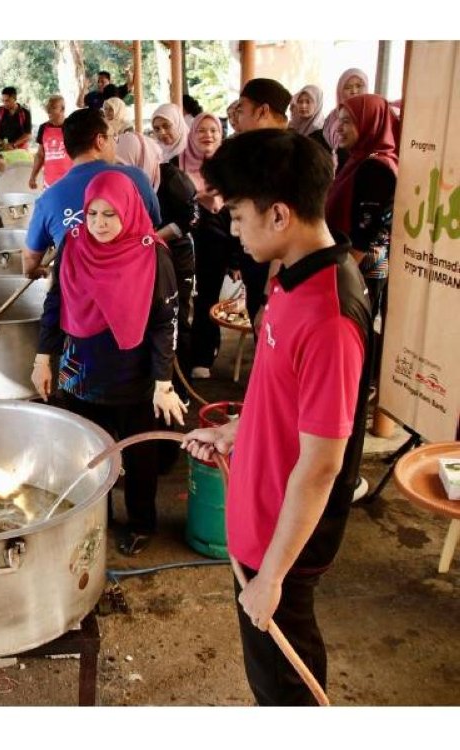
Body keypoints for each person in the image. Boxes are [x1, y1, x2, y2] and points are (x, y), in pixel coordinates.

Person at [182, 128, 370, 706]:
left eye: (238, 215)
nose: (234, 229)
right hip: (258, 512)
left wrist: (272, 579)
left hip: (281, 541)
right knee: (264, 671)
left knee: (282, 683)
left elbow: (320, 467)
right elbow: (281, 395)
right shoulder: (292, 276)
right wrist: (238, 429)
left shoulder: (329, 316)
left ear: (281, 214)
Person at [32, 171, 186, 556]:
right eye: (93, 213)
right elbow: (55, 303)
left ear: (129, 212)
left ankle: (141, 523)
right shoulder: (72, 244)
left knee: (138, 453)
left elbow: (165, 323)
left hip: (131, 368)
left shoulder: (152, 254)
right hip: (77, 364)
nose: (99, 224)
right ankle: (95, 518)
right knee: (85, 453)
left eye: (109, 215)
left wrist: (163, 383)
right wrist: (42, 358)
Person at [22, 107, 161, 279]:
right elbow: (153, 226)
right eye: (113, 138)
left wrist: (35, 270)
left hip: (80, 299)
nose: (114, 144)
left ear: (67, 148)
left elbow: (29, 259)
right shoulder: (137, 178)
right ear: (100, 141)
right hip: (138, 292)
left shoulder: (49, 198)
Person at [325, 94, 398, 392]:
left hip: (361, 267)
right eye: (338, 119)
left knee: (353, 336)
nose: (340, 127)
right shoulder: (357, 160)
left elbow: (363, 235)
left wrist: (337, 278)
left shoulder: (375, 168)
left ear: (370, 124)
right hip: (351, 263)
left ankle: (352, 393)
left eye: (348, 121)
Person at [117, 132, 198, 386]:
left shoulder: (173, 178)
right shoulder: (123, 182)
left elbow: (190, 219)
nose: (124, 170)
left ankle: (181, 384)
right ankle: (155, 380)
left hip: (175, 256)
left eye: (127, 163)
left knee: (176, 318)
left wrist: (153, 237)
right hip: (142, 257)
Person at [180, 112, 243, 380]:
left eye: (213, 131)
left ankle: (203, 356)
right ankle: (182, 352)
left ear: (221, 135)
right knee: (182, 299)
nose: (207, 135)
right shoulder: (177, 163)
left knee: (207, 299)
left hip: (215, 247)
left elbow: (238, 214)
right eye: (201, 131)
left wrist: (236, 259)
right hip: (183, 245)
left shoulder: (229, 168)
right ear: (192, 135)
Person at [231, 78, 294, 329]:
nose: (238, 118)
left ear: (263, 111)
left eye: (242, 110)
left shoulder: (285, 156)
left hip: (275, 274)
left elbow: (285, 229)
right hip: (259, 268)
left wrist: (269, 294)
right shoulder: (263, 151)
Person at [322, 68, 369, 163]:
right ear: (340, 91)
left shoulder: (372, 115)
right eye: (348, 87)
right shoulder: (332, 117)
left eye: (359, 86)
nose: (354, 91)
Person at [29, 95, 73, 190]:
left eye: (53, 108)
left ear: (62, 109)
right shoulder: (43, 128)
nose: (49, 111)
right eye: (48, 107)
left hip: (70, 179)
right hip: (49, 181)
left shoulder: (72, 127)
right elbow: (40, 155)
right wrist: (33, 176)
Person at [0, 86, 32, 151]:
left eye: (7, 101)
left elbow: (28, 135)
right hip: (3, 147)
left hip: (19, 148)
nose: (4, 103)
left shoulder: (25, 113)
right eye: (3, 100)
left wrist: (13, 145)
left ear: (15, 98)